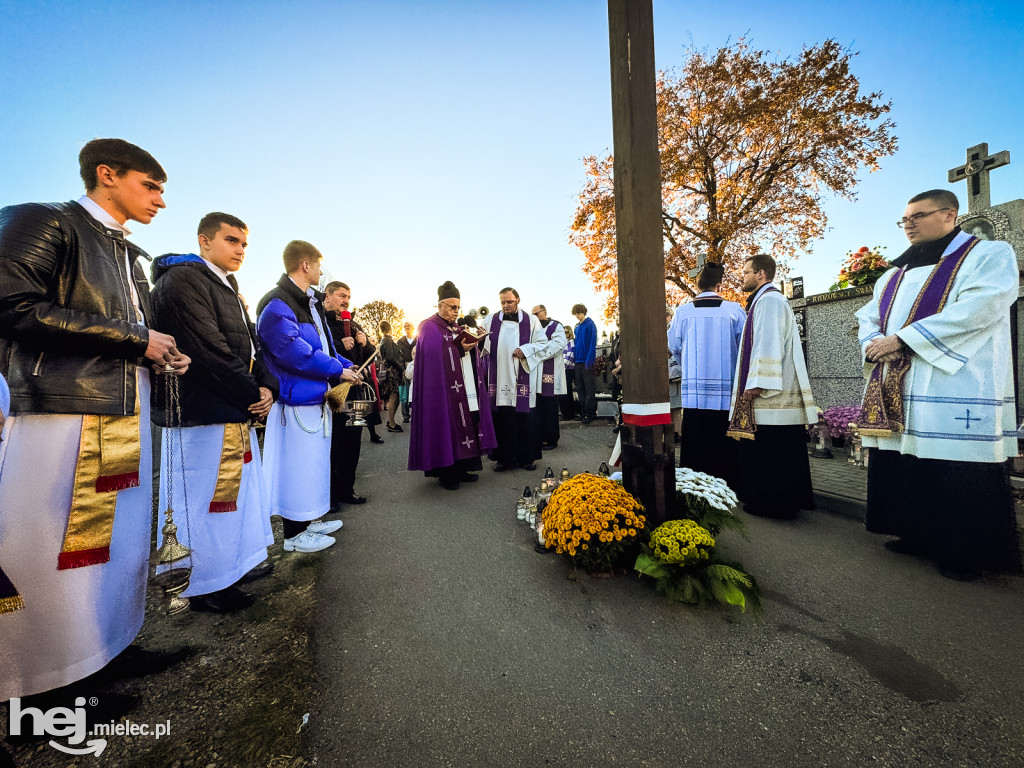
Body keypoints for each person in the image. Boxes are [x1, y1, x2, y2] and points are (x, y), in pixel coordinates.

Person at [0, 138, 190, 703]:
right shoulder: (47, 221)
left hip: (121, 409)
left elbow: (127, 331)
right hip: (60, 410)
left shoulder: (128, 256)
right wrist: (137, 340)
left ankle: (106, 645)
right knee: (51, 544)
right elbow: (11, 304)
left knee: (120, 538)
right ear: (107, 175)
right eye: (150, 186)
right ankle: (42, 683)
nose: (159, 201)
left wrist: (160, 352)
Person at [855, 189, 1021, 580]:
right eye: (905, 219)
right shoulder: (893, 275)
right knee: (907, 460)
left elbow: (982, 306)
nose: (908, 224)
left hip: (955, 380)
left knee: (954, 468)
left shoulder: (987, 255)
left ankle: (964, 553)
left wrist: (903, 339)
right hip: (898, 380)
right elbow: (868, 318)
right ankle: (915, 535)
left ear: (950, 215)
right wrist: (875, 346)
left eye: (918, 216)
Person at [149, 212, 279, 613]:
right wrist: (250, 391)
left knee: (235, 499)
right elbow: (206, 348)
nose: (240, 250)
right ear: (204, 241)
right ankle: (203, 583)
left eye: (244, 243)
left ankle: (231, 567)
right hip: (200, 413)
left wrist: (268, 387)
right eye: (231, 240)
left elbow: (252, 349)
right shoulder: (182, 279)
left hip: (229, 408)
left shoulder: (228, 286)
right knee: (205, 502)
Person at [257, 242, 359, 553]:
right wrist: (336, 370)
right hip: (294, 400)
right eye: (318, 266)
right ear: (305, 265)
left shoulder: (309, 302)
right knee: (297, 469)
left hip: (315, 397)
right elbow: (295, 354)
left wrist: (345, 365)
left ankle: (311, 519)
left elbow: (324, 347)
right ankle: (294, 535)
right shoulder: (277, 304)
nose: (320, 271)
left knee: (314, 465)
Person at [727, 254, 816, 518]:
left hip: (770, 394)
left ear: (761, 274)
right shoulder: (766, 301)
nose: (741, 277)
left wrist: (757, 383)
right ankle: (777, 502)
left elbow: (768, 341)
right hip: (773, 391)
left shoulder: (769, 301)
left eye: (745, 272)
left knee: (773, 451)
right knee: (777, 449)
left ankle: (774, 504)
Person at [408, 281, 497, 489]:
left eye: (458, 307)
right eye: (452, 307)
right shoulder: (428, 326)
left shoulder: (456, 327)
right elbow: (432, 356)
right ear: (440, 306)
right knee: (446, 428)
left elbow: (462, 351)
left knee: (465, 426)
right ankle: (446, 475)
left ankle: (463, 469)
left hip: (463, 388)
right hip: (441, 392)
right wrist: (458, 349)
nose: (456, 311)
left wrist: (475, 343)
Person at [668, 262, 746, 482]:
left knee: (695, 439)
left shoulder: (682, 312)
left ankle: (694, 482)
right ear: (719, 286)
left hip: (694, 392)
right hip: (725, 388)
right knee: (723, 439)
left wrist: (689, 363)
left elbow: (673, 346)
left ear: (697, 285)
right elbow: (744, 346)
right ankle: (728, 481)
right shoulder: (735, 310)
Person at [483, 288, 549, 471]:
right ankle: (503, 459)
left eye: (509, 302)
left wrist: (525, 351)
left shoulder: (532, 320)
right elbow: (482, 344)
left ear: (518, 300)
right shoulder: (490, 320)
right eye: (503, 302)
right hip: (499, 376)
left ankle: (527, 458)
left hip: (523, 375)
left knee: (524, 418)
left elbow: (543, 344)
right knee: (503, 419)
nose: (506, 305)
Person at [323, 281, 373, 507]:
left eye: (348, 297)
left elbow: (371, 354)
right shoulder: (320, 321)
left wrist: (366, 343)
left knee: (353, 443)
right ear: (328, 295)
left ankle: (347, 490)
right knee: (334, 444)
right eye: (342, 295)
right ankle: (330, 495)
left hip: (357, 392)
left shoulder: (352, 322)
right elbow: (320, 350)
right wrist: (338, 344)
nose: (345, 301)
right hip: (334, 393)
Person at [530, 305, 569, 450]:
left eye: (536, 313)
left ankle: (552, 439)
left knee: (550, 408)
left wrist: (539, 351)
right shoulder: (534, 328)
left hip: (550, 372)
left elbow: (559, 345)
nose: (534, 316)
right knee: (538, 407)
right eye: (532, 314)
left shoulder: (556, 326)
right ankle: (539, 438)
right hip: (536, 373)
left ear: (544, 312)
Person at [572, 303, 598, 424]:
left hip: (587, 362)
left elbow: (592, 343)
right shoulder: (576, 327)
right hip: (577, 362)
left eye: (579, 313)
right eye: (576, 313)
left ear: (584, 312)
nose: (577, 315)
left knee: (589, 389)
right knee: (580, 389)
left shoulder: (590, 324)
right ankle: (583, 413)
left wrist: (589, 361)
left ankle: (590, 413)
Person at [378, 321, 405, 432]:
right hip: (393, 373)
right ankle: (392, 423)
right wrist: (401, 368)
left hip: (394, 372)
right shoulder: (387, 340)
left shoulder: (385, 340)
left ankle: (391, 421)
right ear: (389, 328)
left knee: (397, 396)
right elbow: (390, 357)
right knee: (394, 397)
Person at [397, 321, 416, 422]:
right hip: (404, 368)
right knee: (404, 391)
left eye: (408, 326)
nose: (406, 327)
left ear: (413, 327)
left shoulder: (418, 340)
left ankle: (416, 413)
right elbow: (397, 355)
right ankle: (405, 415)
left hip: (416, 367)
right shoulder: (400, 341)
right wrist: (401, 368)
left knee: (415, 391)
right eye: (405, 326)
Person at [560, 325, 577, 420]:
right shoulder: (563, 343)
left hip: (568, 369)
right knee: (564, 391)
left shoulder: (571, 342)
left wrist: (563, 368)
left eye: (566, 332)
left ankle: (569, 414)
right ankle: (565, 413)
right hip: (563, 369)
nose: (565, 334)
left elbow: (570, 356)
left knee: (566, 391)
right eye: (563, 332)